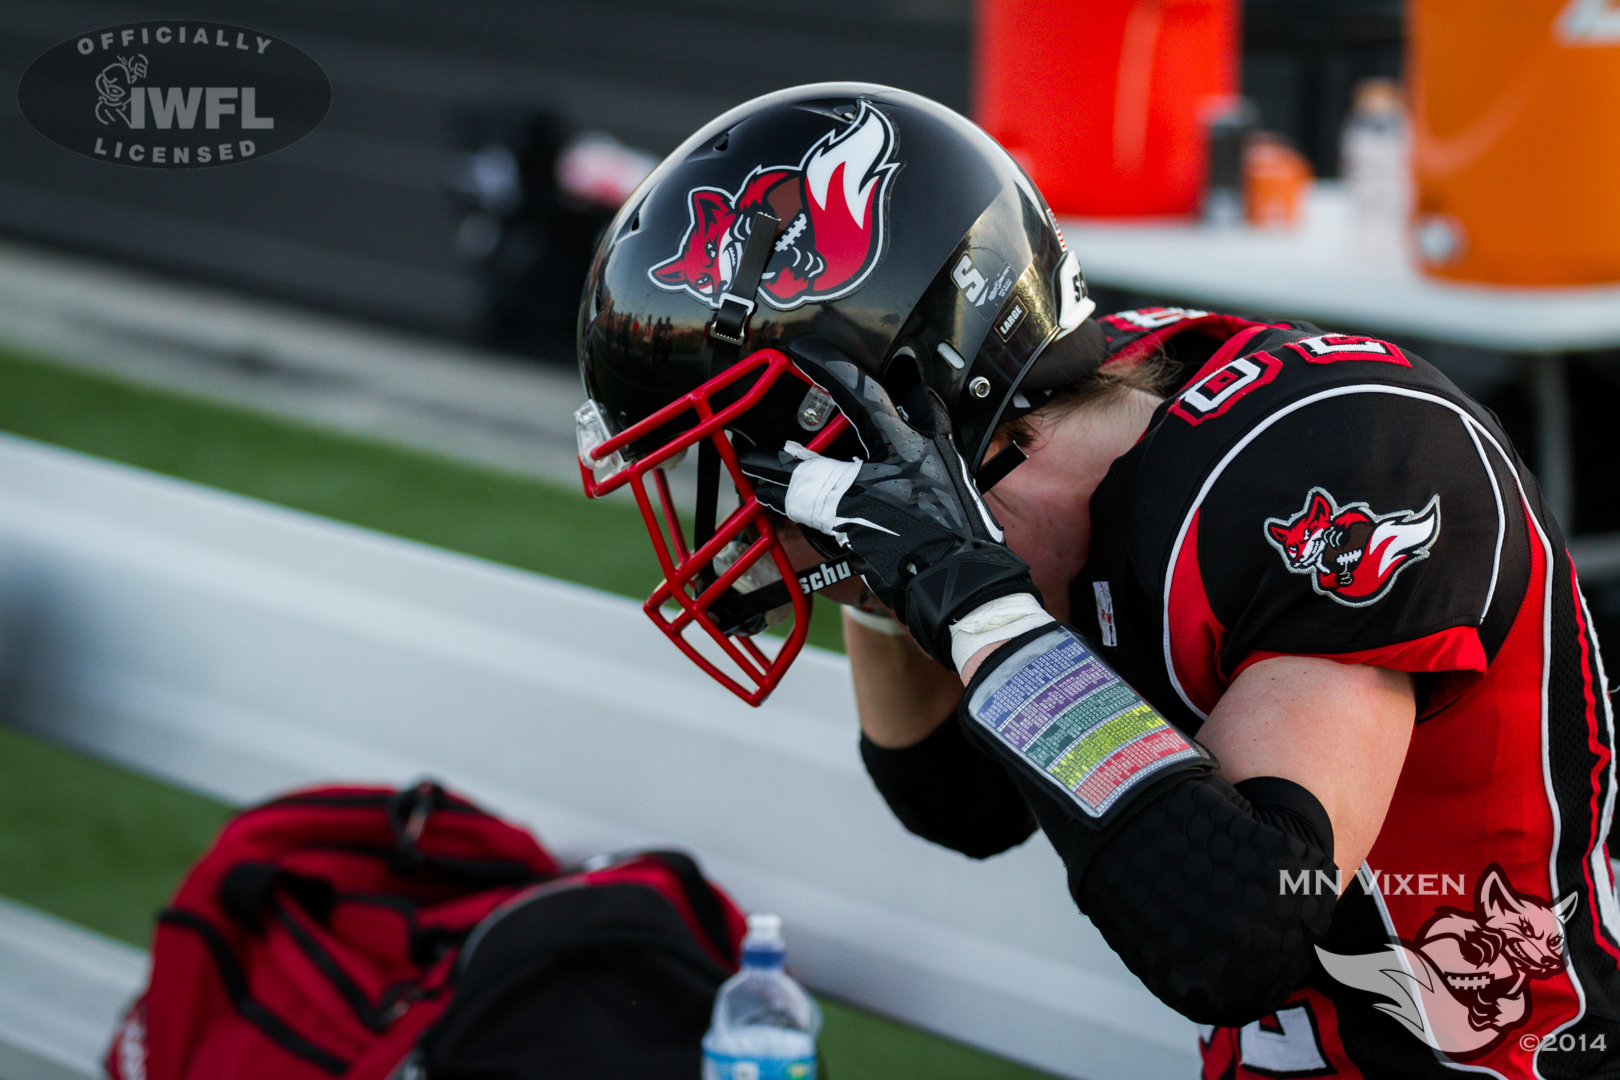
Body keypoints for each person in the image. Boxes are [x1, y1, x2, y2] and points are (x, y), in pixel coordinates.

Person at [574, 83, 1620, 1078]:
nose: (732, 527)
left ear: (876, 416)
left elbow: (1237, 928)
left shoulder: (1340, 459)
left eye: (735, 469)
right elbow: (956, 798)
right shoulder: (1058, 480)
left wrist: (958, 584)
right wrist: (900, 577)